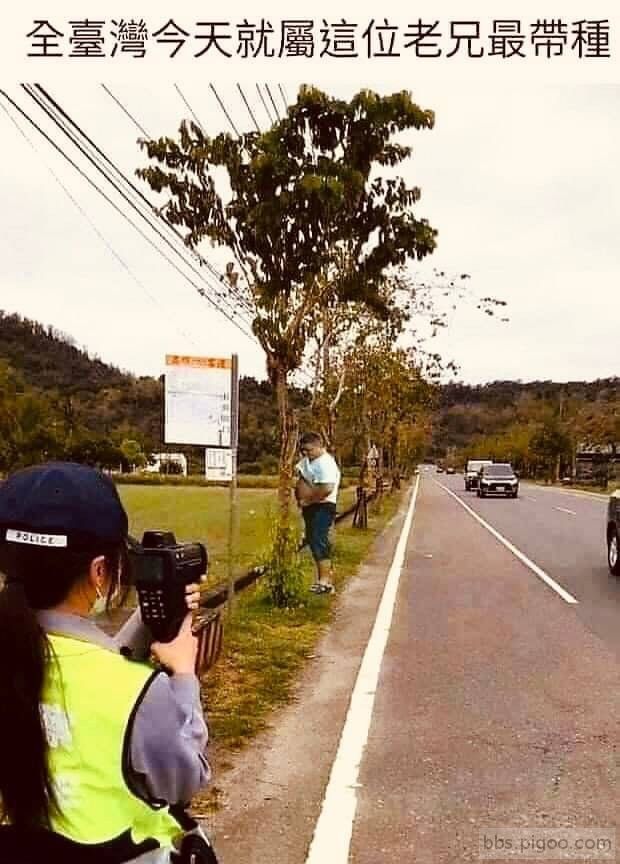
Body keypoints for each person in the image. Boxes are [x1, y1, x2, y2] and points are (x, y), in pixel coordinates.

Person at [0, 462, 212, 863]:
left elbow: (74, 659)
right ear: (100, 572)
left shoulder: (14, 652)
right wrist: (183, 674)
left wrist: (146, 626)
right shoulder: (138, 694)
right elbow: (184, 779)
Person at [295, 432, 341, 594]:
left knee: (318, 540)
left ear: (319, 446)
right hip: (310, 506)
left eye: (309, 450)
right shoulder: (308, 461)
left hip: (322, 506)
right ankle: (326, 577)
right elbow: (301, 475)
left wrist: (308, 500)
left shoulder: (325, 463)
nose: (306, 453)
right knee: (313, 539)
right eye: (303, 451)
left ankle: (325, 581)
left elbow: (326, 489)